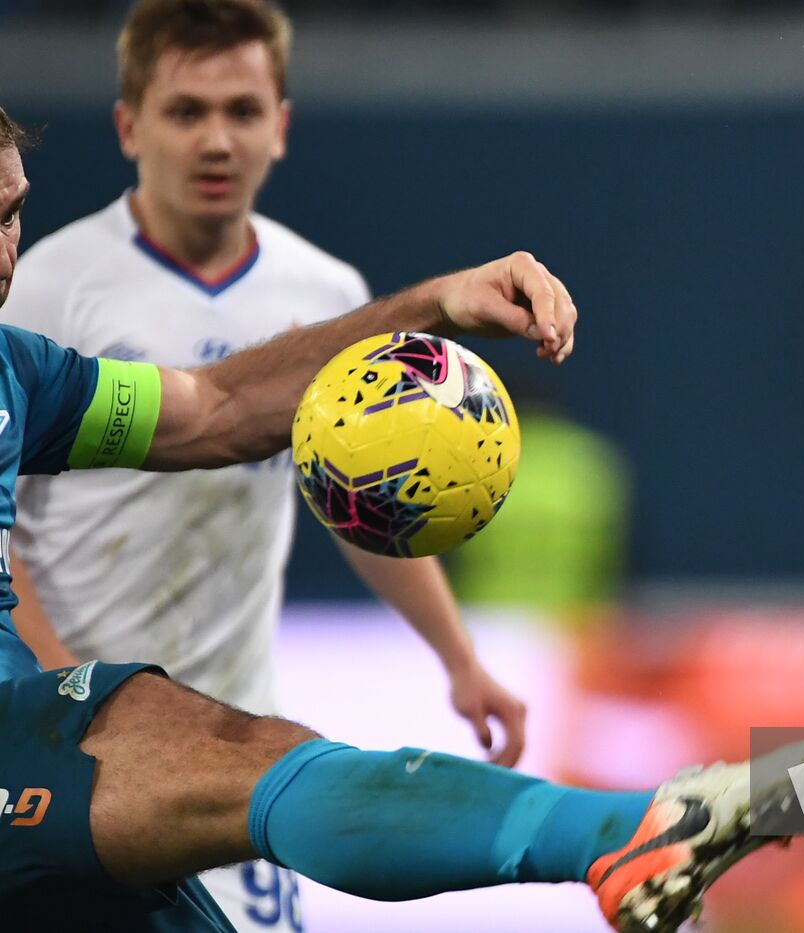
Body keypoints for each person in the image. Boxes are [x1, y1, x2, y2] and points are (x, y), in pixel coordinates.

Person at [0, 106, 804, 933]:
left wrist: (438, 306)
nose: (5, 255)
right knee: (218, 756)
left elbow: (214, 407)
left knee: (231, 767)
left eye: (12, 216)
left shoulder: (19, 371)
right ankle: (623, 830)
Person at [4, 3, 524, 926]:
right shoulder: (50, 281)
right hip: (81, 740)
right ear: (129, 126)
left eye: (242, 111)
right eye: (186, 110)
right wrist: (58, 709)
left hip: (232, 725)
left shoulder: (324, 295)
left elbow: (356, 496)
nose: (216, 140)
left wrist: (459, 657)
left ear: (281, 127)